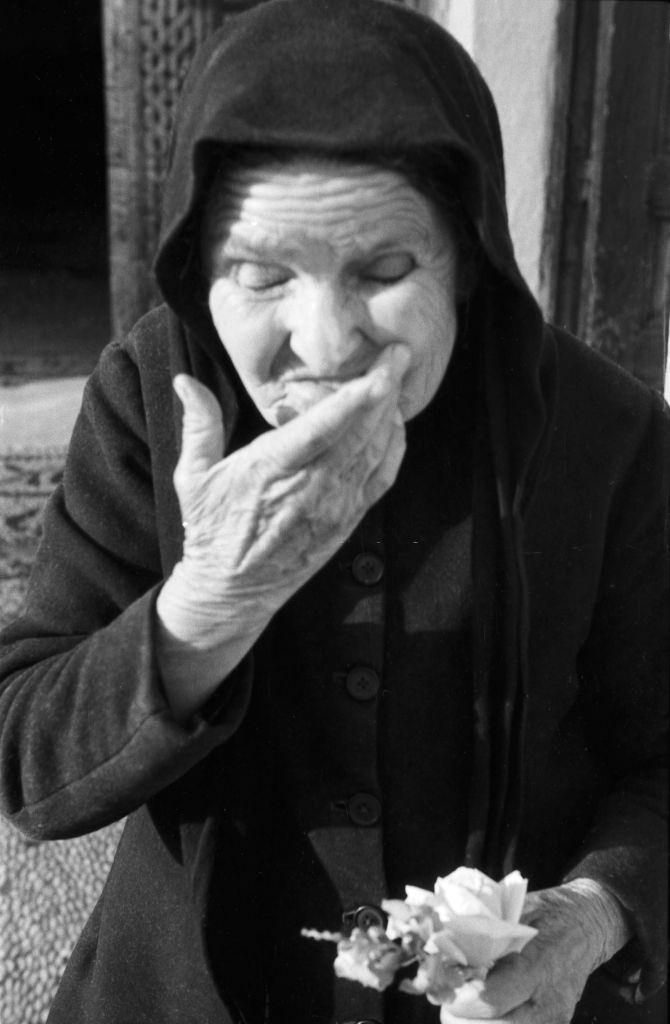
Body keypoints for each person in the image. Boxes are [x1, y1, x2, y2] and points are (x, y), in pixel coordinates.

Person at [0, 1, 667, 1022]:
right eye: (261, 275)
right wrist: (206, 610)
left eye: (385, 270)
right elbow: (26, 753)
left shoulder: (603, 437)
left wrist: (592, 913)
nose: (324, 341)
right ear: (198, 269)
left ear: (470, 259)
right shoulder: (154, 396)